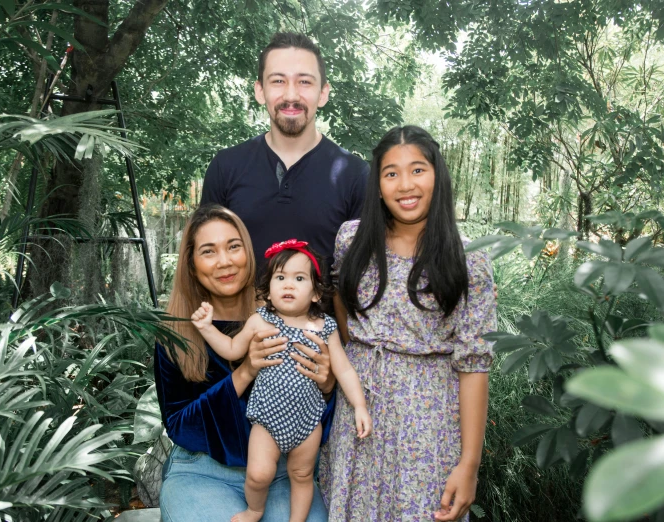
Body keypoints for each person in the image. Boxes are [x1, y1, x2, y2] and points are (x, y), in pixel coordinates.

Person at [319, 126, 496, 522]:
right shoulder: (352, 240)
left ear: (437, 175)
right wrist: (358, 358)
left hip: (428, 423)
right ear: (377, 184)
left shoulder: (469, 261)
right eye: (391, 173)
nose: (405, 185)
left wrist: (469, 464)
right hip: (358, 415)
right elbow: (340, 302)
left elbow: (475, 365)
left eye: (417, 170)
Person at [155, 205, 336, 522]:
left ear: (248, 253)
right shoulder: (177, 332)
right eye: (208, 251)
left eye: (233, 247)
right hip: (202, 471)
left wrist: (327, 385)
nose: (224, 261)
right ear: (192, 264)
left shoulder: (293, 313)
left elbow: (323, 421)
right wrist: (246, 371)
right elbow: (180, 425)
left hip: (283, 472)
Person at [191, 239, 372, 522]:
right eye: (280, 277)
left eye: (299, 278)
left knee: (302, 476)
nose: (288, 285)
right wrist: (206, 328)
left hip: (308, 421)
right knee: (258, 474)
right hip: (267, 419)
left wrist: (360, 405)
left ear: (315, 293)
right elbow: (231, 349)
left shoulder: (325, 327)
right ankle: (255, 509)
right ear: (269, 288)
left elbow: (345, 370)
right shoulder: (260, 320)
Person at [200, 31, 369, 277]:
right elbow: (205, 260)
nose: (291, 96)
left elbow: (361, 278)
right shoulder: (225, 167)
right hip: (238, 316)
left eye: (305, 82)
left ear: (323, 93)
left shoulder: (355, 175)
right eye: (278, 81)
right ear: (260, 91)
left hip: (326, 316)